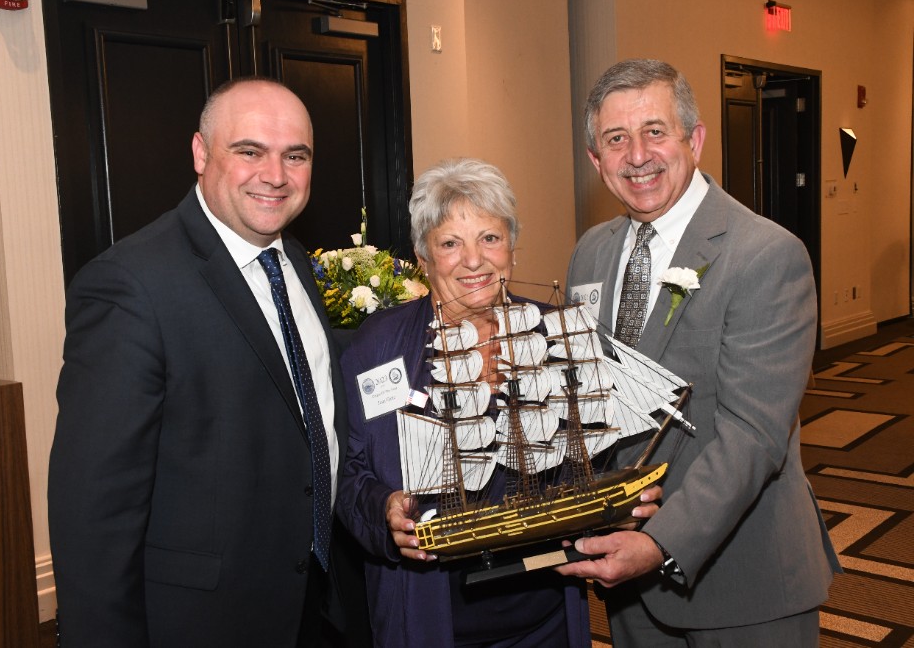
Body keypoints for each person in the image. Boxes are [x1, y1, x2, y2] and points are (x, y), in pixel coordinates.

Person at [48, 77, 353, 647]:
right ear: (200, 153)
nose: (276, 175)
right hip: (200, 621)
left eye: (296, 155)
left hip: (308, 602)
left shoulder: (297, 266)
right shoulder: (130, 286)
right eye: (249, 152)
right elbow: (94, 515)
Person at [560, 59, 840, 646]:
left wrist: (660, 542)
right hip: (631, 586)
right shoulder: (590, 253)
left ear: (695, 139)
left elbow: (753, 435)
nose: (638, 155)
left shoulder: (765, 254)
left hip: (744, 578)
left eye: (655, 131)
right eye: (617, 139)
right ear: (596, 160)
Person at [336, 157, 662, 648]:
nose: (474, 260)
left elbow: (599, 438)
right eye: (450, 243)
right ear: (423, 258)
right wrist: (382, 509)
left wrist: (626, 497)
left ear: (512, 247)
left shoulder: (559, 333)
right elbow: (347, 469)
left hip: (546, 612)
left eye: (490, 238)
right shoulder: (378, 347)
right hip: (427, 615)